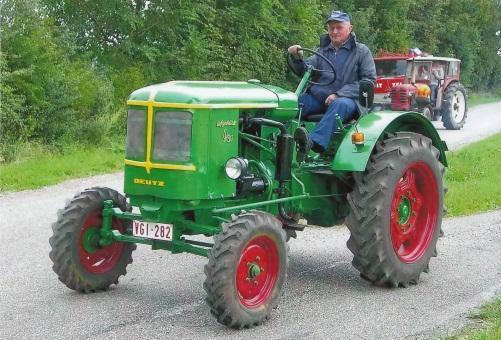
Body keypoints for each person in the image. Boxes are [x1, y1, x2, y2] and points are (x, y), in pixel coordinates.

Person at [288, 10, 376, 161]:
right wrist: (297, 58)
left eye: (339, 27)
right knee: (291, 104)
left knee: (339, 105)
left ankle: (312, 142)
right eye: (331, 28)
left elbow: (368, 80)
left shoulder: (361, 51)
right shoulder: (322, 51)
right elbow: (306, 70)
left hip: (348, 100)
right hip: (318, 98)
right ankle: (275, 140)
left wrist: (339, 94)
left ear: (350, 28)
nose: (334, 31)